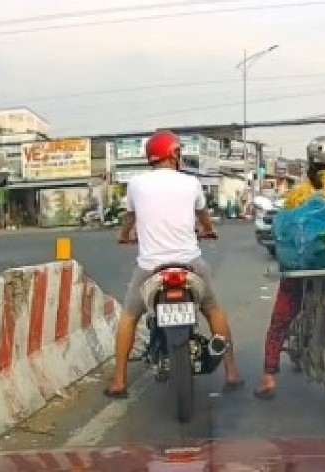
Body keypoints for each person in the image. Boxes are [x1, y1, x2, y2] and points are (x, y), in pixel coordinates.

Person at [104, 130, 243, 398]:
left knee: (130, 316)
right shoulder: (190, 183)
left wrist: (124, 236)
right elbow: (203, 215)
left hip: (150, 267)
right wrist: (208, 230)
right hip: (189, 262)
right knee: (213, 310)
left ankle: (119, 380)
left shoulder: (135, 184)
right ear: (175, 154)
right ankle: (232, 371)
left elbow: (130, 218)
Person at [253, 135, 325, 400]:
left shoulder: (298, 193)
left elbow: (286, 232)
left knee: (280, 319)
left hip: (303, 267)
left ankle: (269, 377)